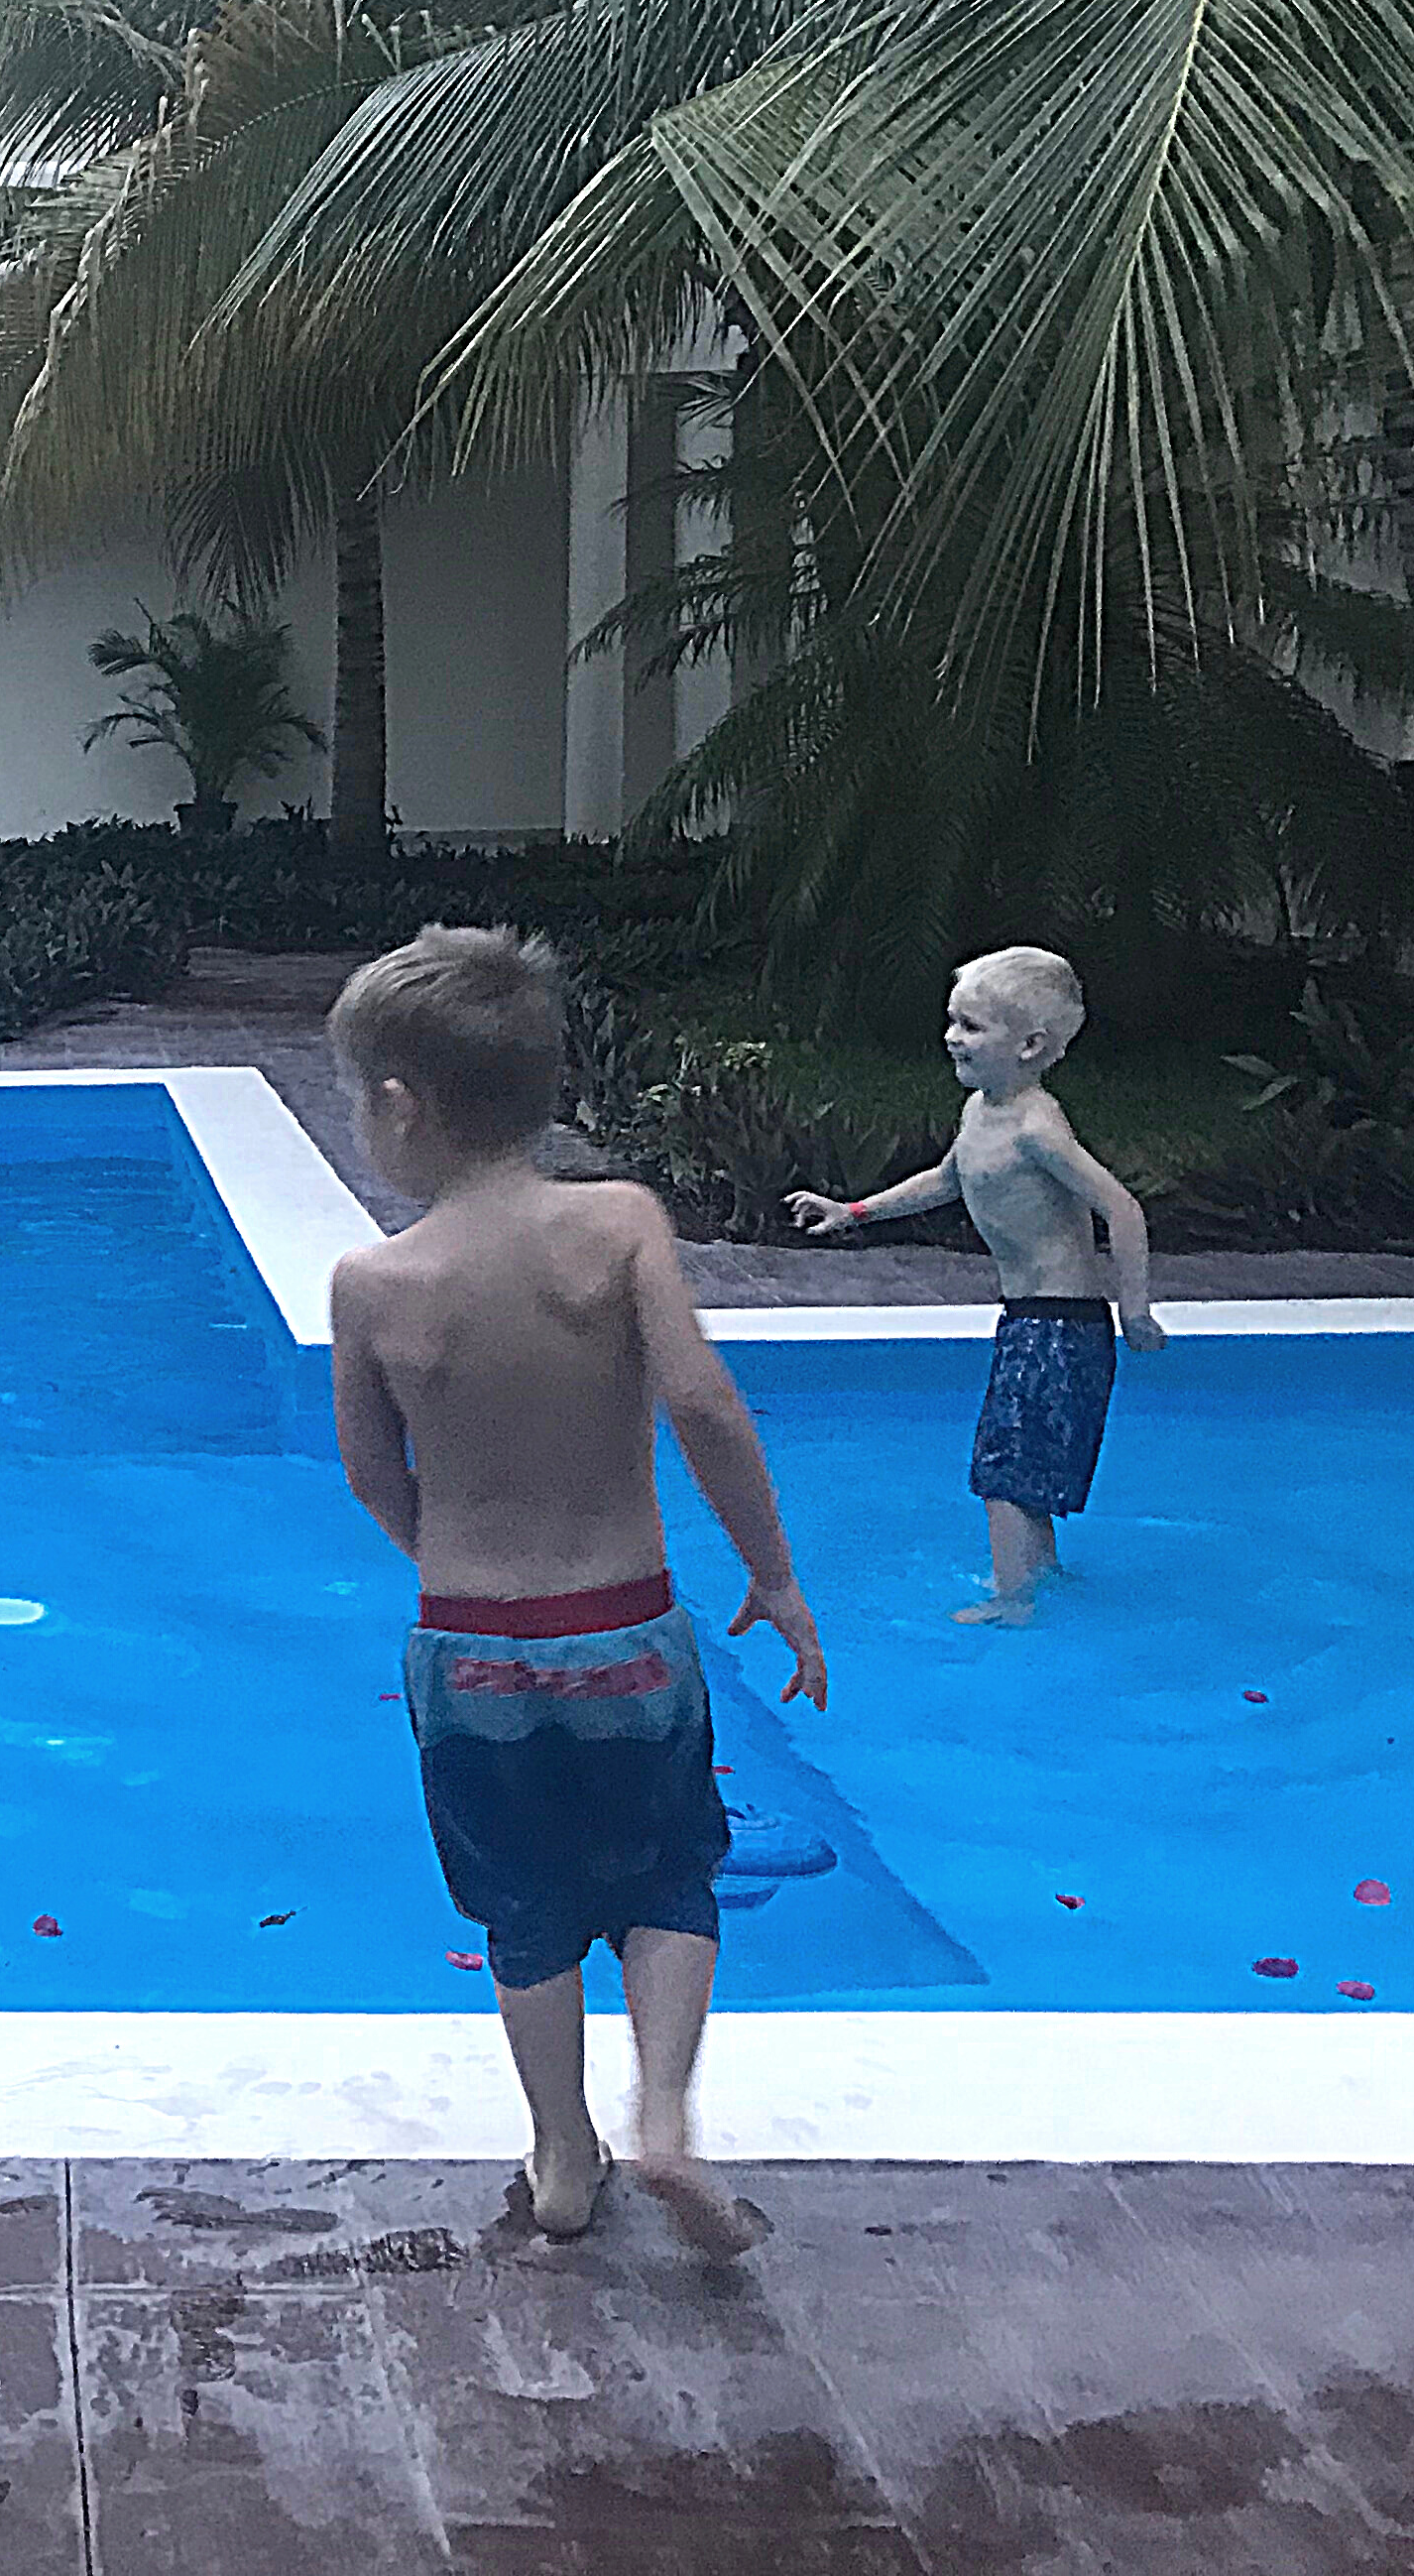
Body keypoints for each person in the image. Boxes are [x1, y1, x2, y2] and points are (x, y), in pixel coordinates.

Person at [326, 925, 826, 2256]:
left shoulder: (376, 1283)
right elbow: (705, 1405)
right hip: (628, 1632)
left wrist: (453, 1565)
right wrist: (772, 1576)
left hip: (471, 1645)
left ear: (399, 1106)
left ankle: (560, 2152)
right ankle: (663, 2120)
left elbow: (371, 1475)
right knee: (669, 1873)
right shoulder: (617, 1225)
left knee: (522, 1899)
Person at [784, 945, 1163, 1625]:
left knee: (1004, 1471)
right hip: (1031, 1320)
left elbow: (1122, 1207)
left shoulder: (1038, 1126)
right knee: (1025, 1470)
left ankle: (1012, 1603)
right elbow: (946, 1180)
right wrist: (855, 1212)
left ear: (1030, 1046)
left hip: (1060, 1323)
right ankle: (1042, 1580)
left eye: (973, 1026)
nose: (952, 1037)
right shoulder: (982, 1114)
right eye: (953, 1021)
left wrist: (1134, 1309)